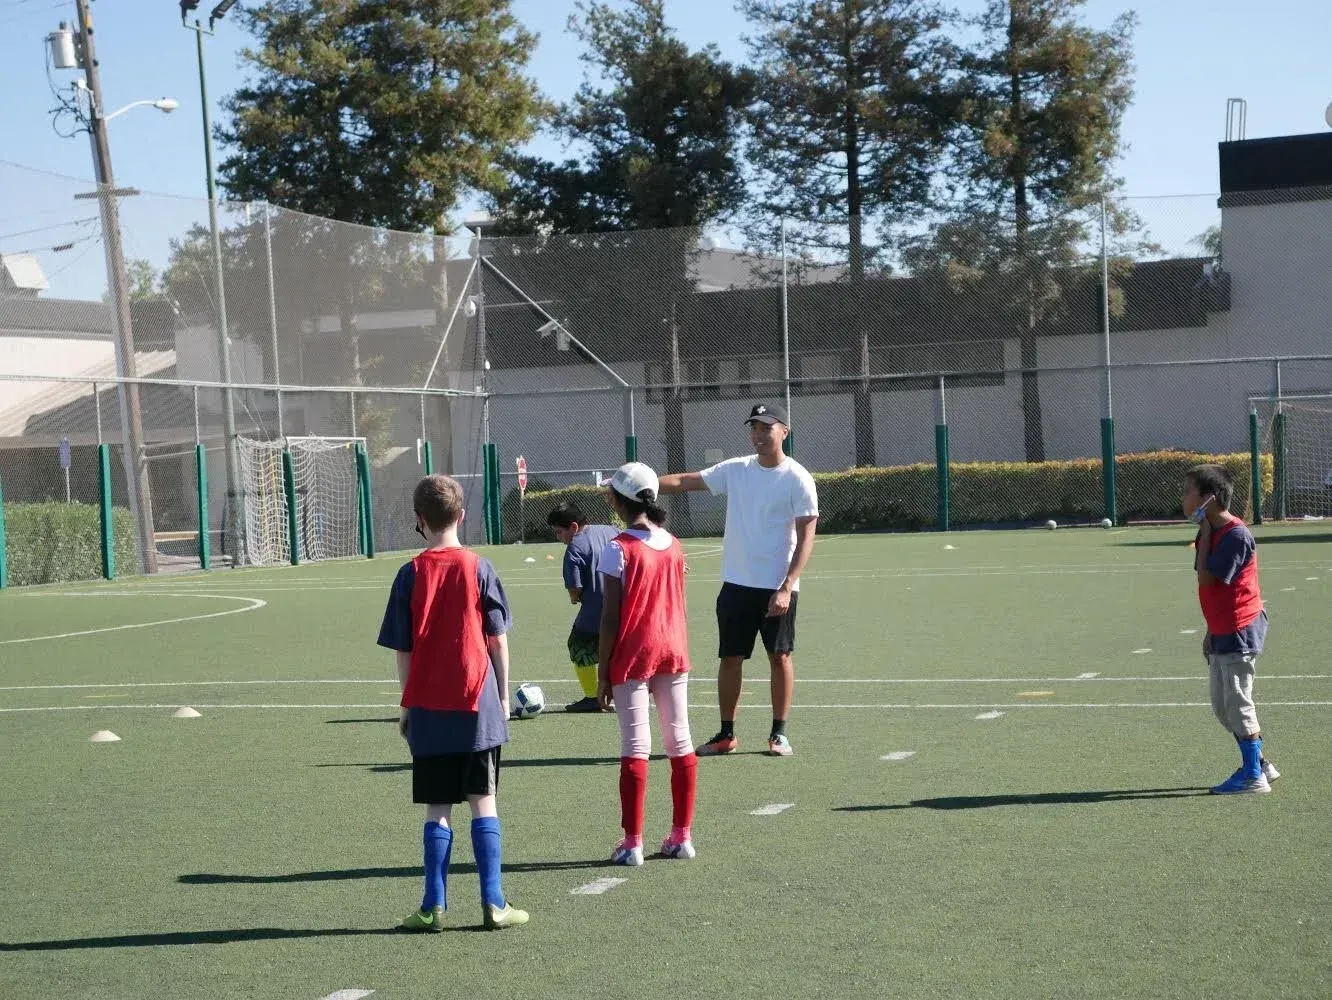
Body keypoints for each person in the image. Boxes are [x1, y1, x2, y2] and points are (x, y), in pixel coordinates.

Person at [377, 474, 530, 931]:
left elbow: (404, 649)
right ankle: (494, 904)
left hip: (427, 707)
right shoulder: (479, 567)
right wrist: (503, 696)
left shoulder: (409, 573)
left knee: (437, 808)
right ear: (461, 516)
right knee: (484, 801)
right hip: (476, 703)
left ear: (419, 521)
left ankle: (433, 907)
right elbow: (497, 641)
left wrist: (407, 706)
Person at [658, 402, 818, 758]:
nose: (759, 435)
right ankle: (726, 734)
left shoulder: (798, 478)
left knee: (780, 656)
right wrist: (641, 486)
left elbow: (807, 537)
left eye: (766, 428)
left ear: (784, 432)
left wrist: (787, 586)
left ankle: (779, 735)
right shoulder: (737, 469)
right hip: (736, 585)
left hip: (777, 588)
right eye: (755, 428)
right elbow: (686, 481)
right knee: (730, 658)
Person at [596, 462, 697, 866]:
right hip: (673, 650)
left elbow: (608, 618)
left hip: (634, 653)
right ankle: (681, 836)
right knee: (680, 741)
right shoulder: (673, 543)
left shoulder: (617, 547)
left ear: (620, 501)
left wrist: (603, 673)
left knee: (635, 746)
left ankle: (632, 843)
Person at [1183, 463, 1281, 795]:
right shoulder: (1207, 531)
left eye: (1189, 492)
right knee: (1222, 707)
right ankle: (1261, 763)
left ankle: (1253, 775)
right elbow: (1205, 577)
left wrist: (1208, 534)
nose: (1183, 499)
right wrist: (1211, 629)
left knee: (1238, 703)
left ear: (1208, 499)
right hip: (1222, 628)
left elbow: (1209, 578)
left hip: (1240, 629)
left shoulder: (1235, 535)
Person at [547, 503, 621, 713]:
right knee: (617, 648)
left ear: (573, 526)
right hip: (626, 606)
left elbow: (575, 588)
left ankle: (592, 697)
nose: (559, 537)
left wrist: (575, 597)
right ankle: (622, 693)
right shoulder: (611, 530)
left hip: (597, 611)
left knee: (578, 646)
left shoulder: (575, 547)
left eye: (559, 532)